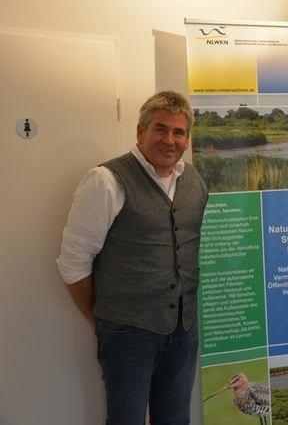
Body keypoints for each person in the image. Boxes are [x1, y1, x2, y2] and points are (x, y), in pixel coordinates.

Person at [56, 91, 208, 425]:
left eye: (178, 132)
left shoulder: (194, 180)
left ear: (187, 139)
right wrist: (106, 319)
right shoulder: (106, 181)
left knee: (175, 419)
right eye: (160, 129)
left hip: (184, 330)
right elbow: (73, 261)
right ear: (140, 132)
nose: (169, 139)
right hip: (128, 335)